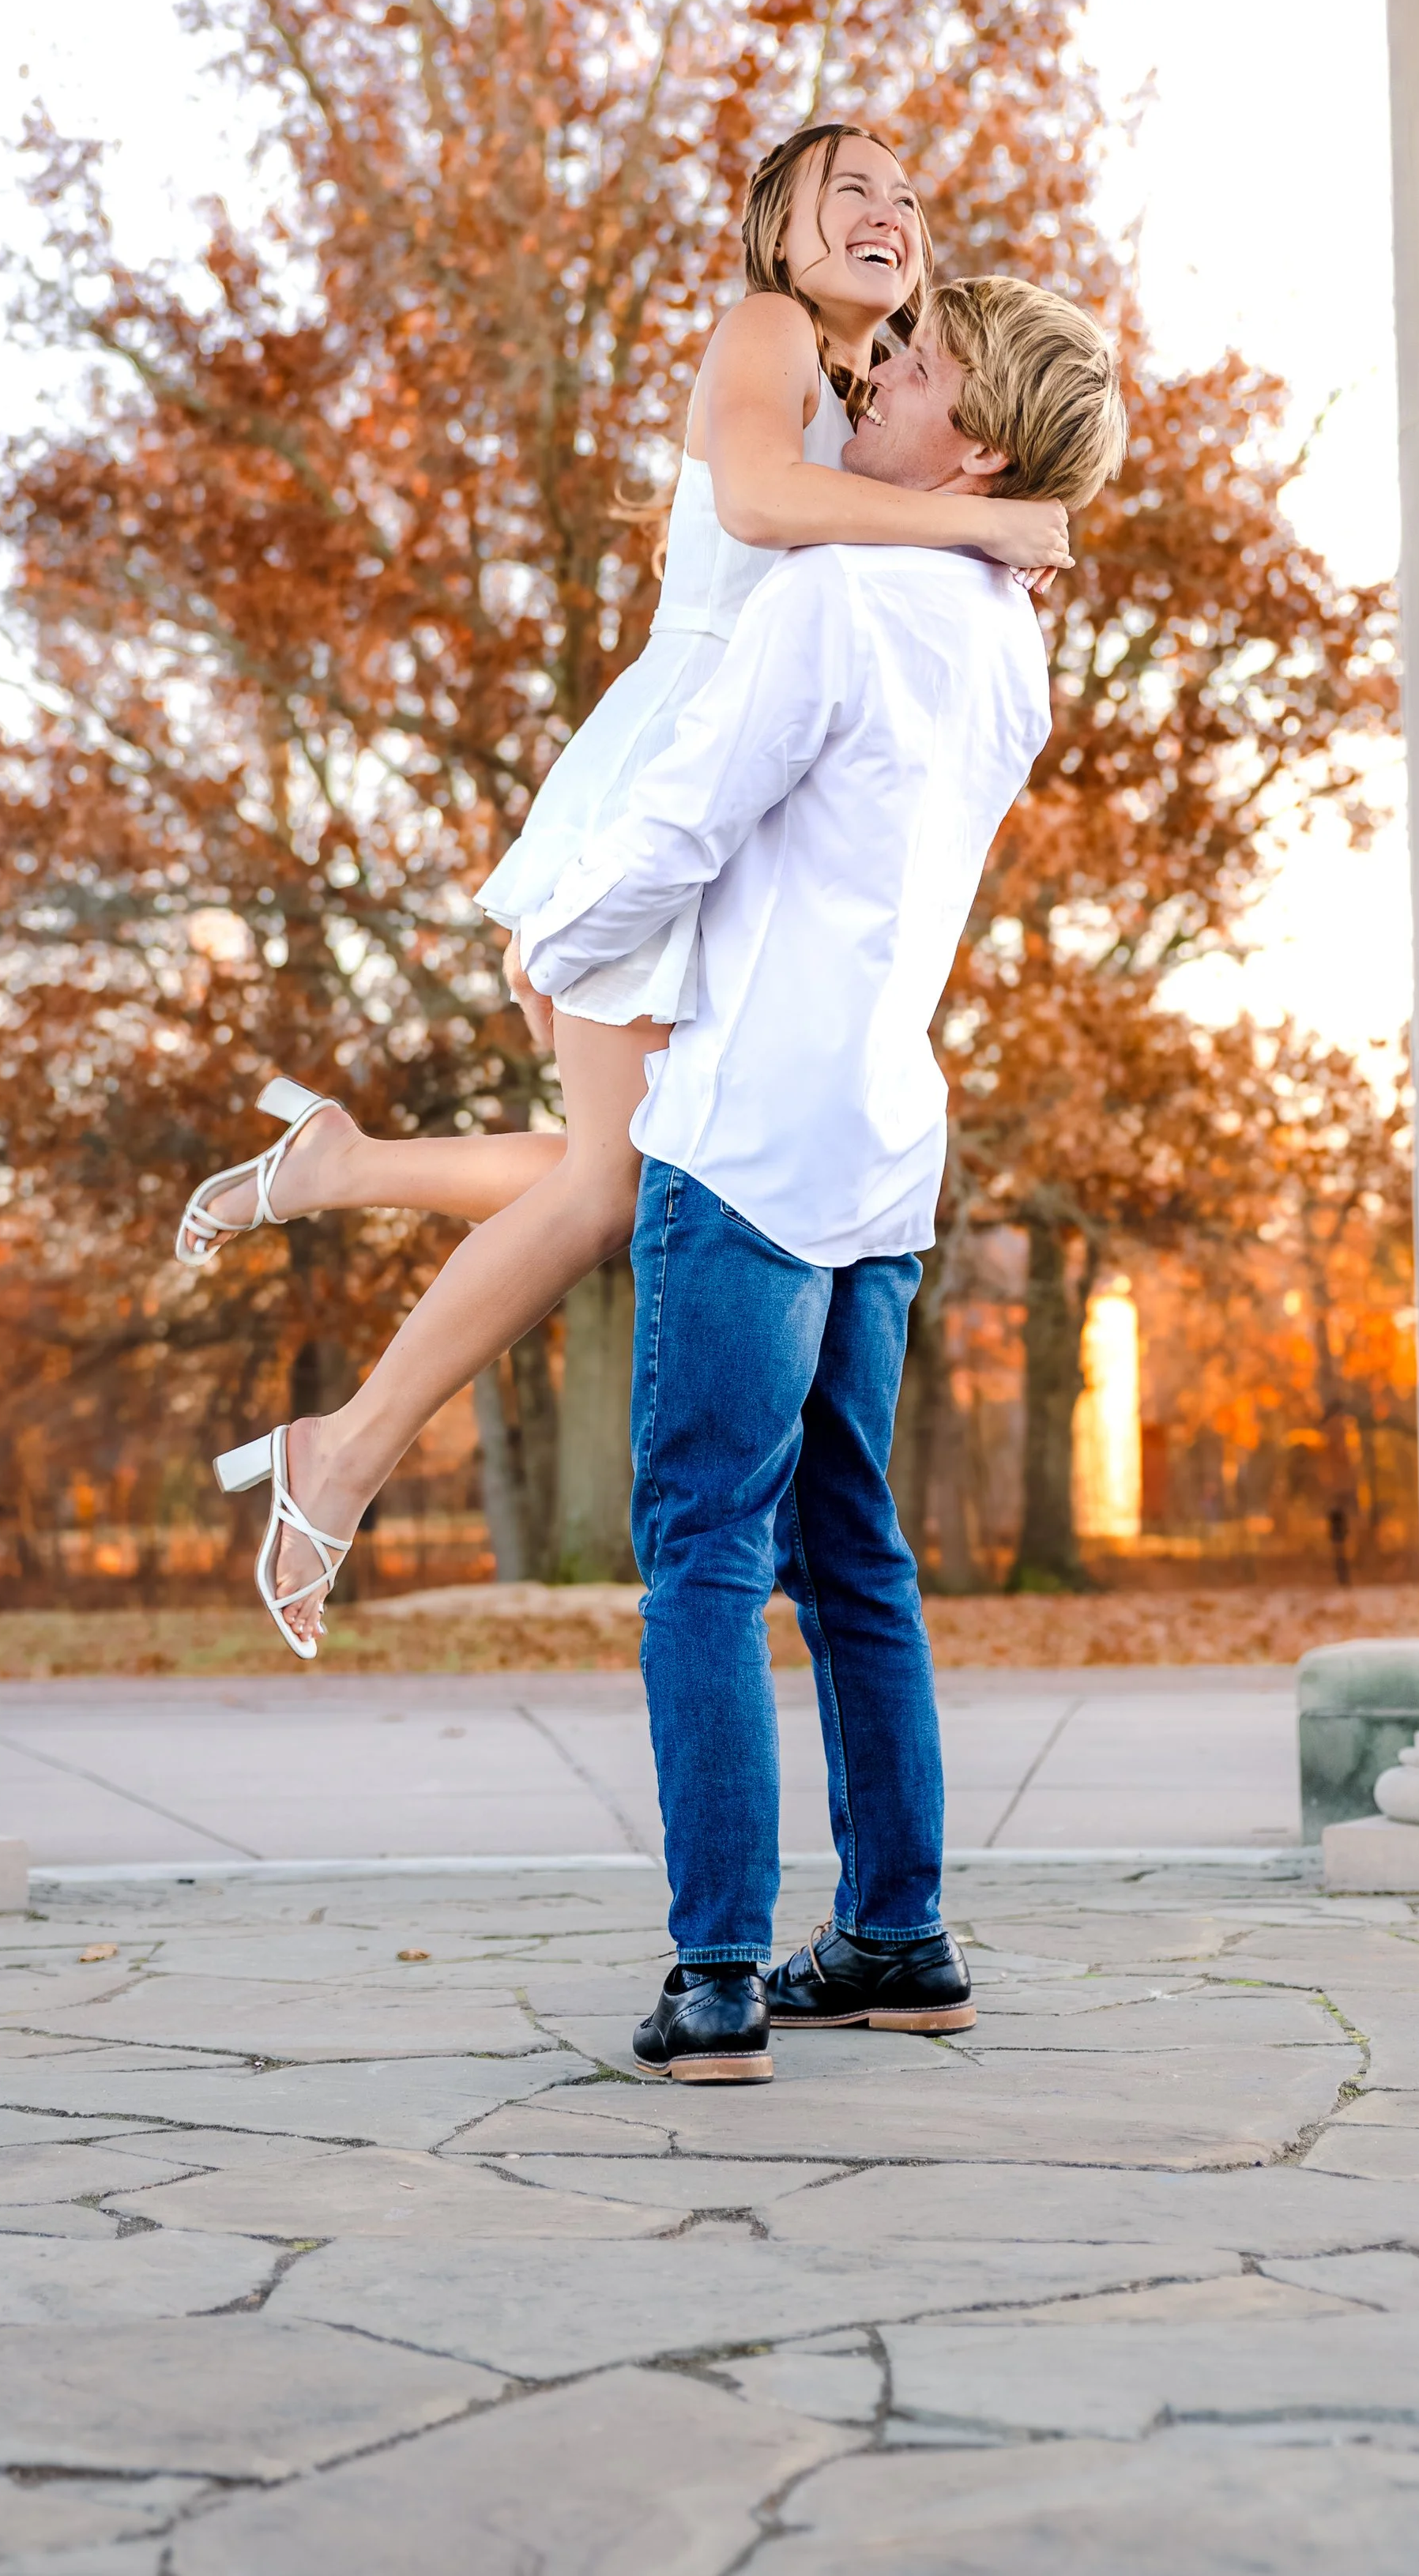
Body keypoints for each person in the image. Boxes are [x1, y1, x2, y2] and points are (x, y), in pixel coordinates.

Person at [175, 126, 1069, 1651]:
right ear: (777, 231)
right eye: (848, 185)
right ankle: (348, 1445)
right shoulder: (767, 333)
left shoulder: (875, 407)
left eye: (908, 198)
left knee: (650, 1163)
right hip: (664, 782)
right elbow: (768, 501)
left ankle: (341, 1173)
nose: (889, 210)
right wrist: (981, 517)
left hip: (731, 796)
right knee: (617, 1182)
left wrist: (972, 522)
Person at [514, 277, 1128, 2081]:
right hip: (881, 1141)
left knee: (701, 1549)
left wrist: (554, 944)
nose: (876, 372)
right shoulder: (1006, 634)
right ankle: (896, 1932)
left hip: (747, 1136)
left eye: (915, 368)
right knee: (851, 1550)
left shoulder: (839, 592)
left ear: (979, 441)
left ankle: (714, 1977)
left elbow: (688, 816)